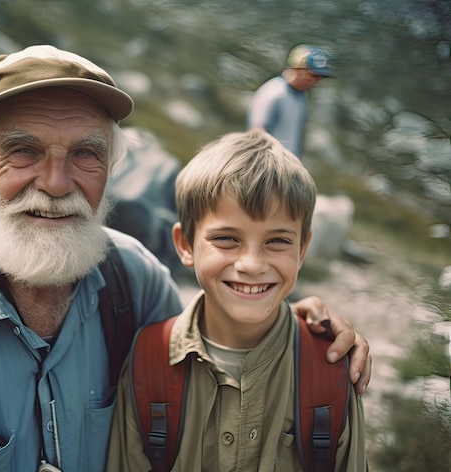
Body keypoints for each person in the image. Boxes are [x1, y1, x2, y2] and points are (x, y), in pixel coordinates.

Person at [0, 45, 369, 472]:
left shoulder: (136, 285)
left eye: (85, 153)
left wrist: (300, 327)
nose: (57, 184)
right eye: (23, 150)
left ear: (111, 167)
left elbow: (214, 351)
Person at [107, 129, 367, 471]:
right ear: (185, 245)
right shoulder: (147, 358)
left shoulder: (330, 366)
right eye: (227, 239)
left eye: (277, 242)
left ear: (303, 250)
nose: (252, 264)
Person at [247, 44, 333, 158]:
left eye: (320, 77)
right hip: (269, 165)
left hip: (288, 166)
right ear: (297, 69)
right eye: (312, 75)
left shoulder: (302, 95)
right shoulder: (273, 92)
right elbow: (256, 133)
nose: (316, 80)